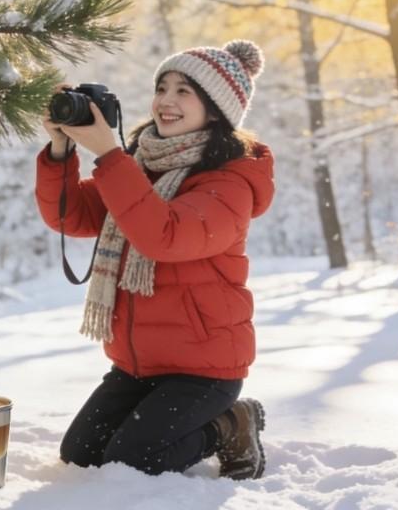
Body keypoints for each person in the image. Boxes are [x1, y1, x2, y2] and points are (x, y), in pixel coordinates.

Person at [34, 40, 275, 480]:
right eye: (162, 87)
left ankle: (229, 424)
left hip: (204, 370)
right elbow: (71, 215)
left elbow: (164, 235)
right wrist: (60, 152)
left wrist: (109, 155)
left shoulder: (231, 182)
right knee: (80, 456)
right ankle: (184, 423)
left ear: (216, 109)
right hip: (138, 364)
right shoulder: (141, 165)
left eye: (184, 91)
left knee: (130, 463)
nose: (165, 101)